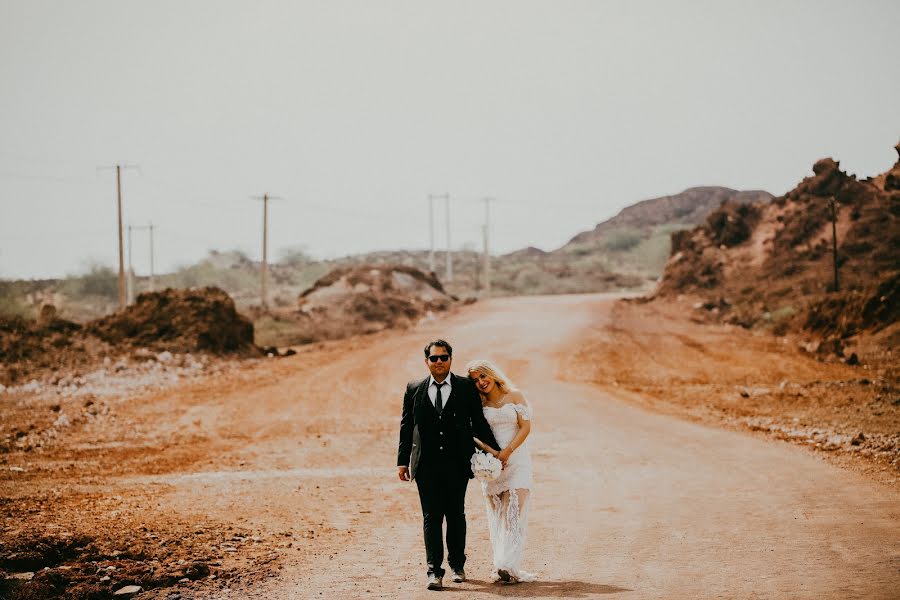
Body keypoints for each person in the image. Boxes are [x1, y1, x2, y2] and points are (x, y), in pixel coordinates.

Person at [397, 339, 500, 591]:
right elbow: (407, 426)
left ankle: (457, 565)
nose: (439, 362)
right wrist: (402, 461)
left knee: (456, 515)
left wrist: (496, 452)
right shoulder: (414, 388)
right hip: (426, 465)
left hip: (457, 463)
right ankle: (434, 571)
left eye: (444, 357)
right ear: (427, 362)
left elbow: (478, 421)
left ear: (451, 359)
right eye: (434, 358)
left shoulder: (465, 386)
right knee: (431, 517)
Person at [467, 359, 536, 584]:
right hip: (493, 465)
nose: (481, 382)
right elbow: (474, 435)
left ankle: (509, 564)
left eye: (483, 376)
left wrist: (508, 451)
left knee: (513, 512)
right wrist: (492, 454)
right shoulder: (478, 404)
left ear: (493, 375)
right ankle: (501, 564)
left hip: (517, 460)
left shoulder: (515, 396)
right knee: (498, 516)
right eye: (476, 380)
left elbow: (526, 426)